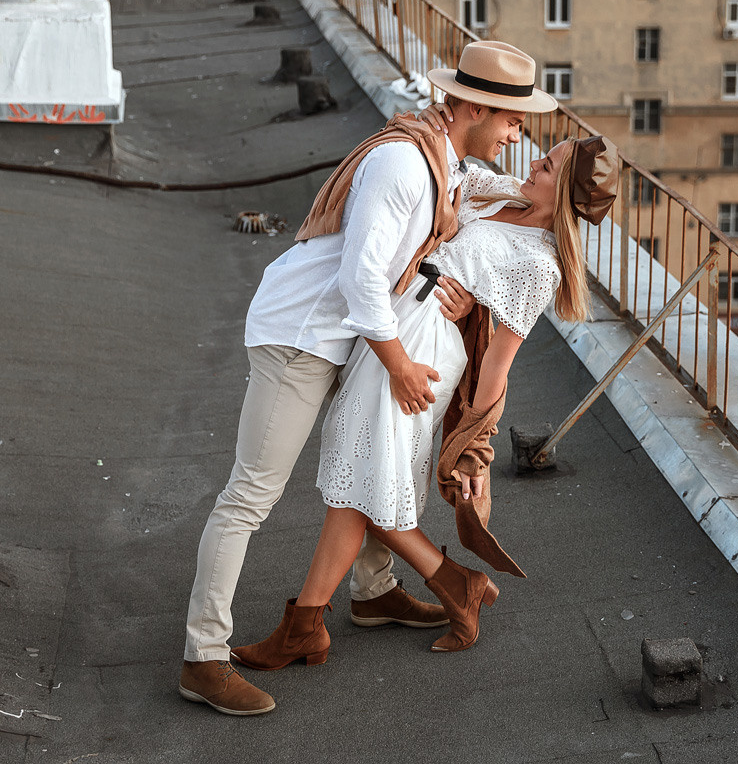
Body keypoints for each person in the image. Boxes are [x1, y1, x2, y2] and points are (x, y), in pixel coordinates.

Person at [178, 41, 558, 717]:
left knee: (372, 463)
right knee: (251, 496)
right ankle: (203, 658)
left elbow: (469, 245)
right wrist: (400, 364)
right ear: (474, 108)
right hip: (303, 335)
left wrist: (459, 298)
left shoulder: (448, 162)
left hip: (350, 336)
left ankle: (374, 593)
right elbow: (361, 276)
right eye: (511, 119)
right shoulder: (404, 163)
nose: (517, 134)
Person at [226, 123, 619, 673]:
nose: (534, 164)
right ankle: (431, 589)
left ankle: (309, 625)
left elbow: (497, 364)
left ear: (567, 192)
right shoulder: (502, 191)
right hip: (396, 326)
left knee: (361, 480)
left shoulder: (540, 263)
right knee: (364, 475)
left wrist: (475, 445)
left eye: (548, 166)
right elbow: (448, 168)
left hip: (426, 350)